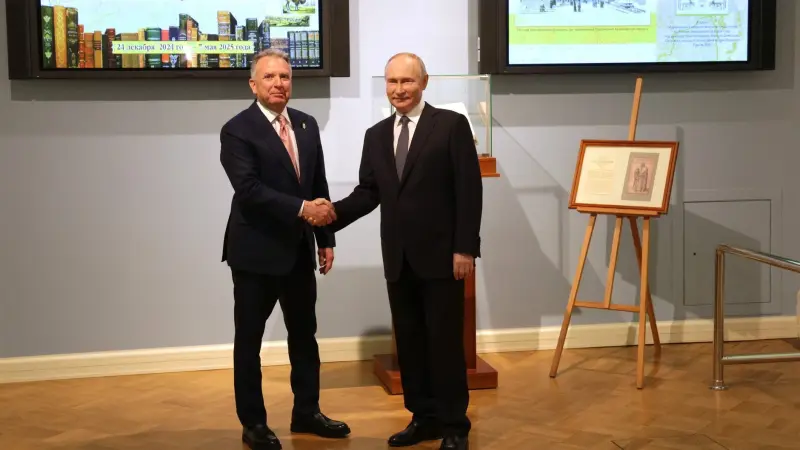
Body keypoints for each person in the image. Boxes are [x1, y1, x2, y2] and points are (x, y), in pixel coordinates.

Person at [323, 52, 483, 450]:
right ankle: (423, 418)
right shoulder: (376, 135)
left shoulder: (451, 125)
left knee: (445, 344)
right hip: (398, 258)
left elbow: (469, 190)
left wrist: (465, 249)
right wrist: (329, 216)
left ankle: (454, 427)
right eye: (392, 82)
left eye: (407, 81)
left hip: (444, 258)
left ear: (424, 82)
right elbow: (369, 192)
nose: (399, 89)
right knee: (410, 343)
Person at [219, 48, 350, 450]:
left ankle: (307, 412)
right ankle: (254, 424)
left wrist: (326, 239)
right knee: (249, 342)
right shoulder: (237, 130)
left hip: (298, 252)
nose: (279, 83)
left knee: (305, 336)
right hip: (255, 254)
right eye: (270, 77)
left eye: (285, 77)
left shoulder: (306, 125)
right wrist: (303, 209)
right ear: (253, 84)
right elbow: (249, 190)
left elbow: (318, 184)